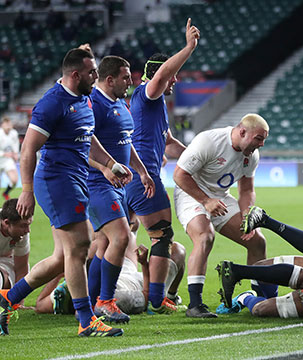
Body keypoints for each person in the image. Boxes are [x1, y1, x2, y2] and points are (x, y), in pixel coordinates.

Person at [1, 46, 132, 337]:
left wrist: (109, 163)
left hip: (76, 179)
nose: (97, 77)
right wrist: (26, 190)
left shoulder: (83, 99)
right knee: (81, 246)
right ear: (76, 75)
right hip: (56, 180)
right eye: (92, 73)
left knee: (64, 256)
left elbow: (88, 135)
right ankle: (87, 321)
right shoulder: (51, 104)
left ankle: (6, 298)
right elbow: (28, 149)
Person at [125, 18, 199, 314]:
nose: (175, 81)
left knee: (120, 237)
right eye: (172, 77)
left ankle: (97, 293)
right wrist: (189, 47)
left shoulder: (154, 107)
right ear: (159, 76)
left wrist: (197, 159)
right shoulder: (147, 93)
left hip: (139, 176)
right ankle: (157, 299)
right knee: (162, 235)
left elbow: (169, 143)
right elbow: (163, 74)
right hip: (144, 177)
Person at [173, 114, 269, 318]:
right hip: (191, 194)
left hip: (220, 197)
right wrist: (206, 201)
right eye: (258, 138)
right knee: (205, 236)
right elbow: (180, 175)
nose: (261, 144)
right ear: (242, 132)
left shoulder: (251, 154)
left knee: (257, 241)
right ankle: (195, 304)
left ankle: (258, 297)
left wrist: (246, 216)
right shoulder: (209, 141)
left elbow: (246, 191)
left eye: (263, 140)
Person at [86, 55, 155, 323]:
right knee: (121, 238)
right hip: (97, 183)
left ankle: (91, 305)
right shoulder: (94, 104)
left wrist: (142, 170)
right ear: (110, 79)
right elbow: (80, 145)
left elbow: (127, 142)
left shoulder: (121, 104)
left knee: (104, 244)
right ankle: (105, 302)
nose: (131, 81)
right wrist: (103, 168)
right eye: (126, 77)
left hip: (118, 185)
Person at [35, 231, 186, 316]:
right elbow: (147, 296)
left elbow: (40, 304)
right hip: (134, 278)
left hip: (117, 267)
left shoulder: (70, 287)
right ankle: (171, 296)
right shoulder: (116, 299)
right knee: (177, 250)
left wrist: (61, 271)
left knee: (117, 235)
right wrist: (145, 265)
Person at [0, 199, 31, 291]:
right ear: (6, 223)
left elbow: (21, 268)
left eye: (29, 224)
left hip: (6, 261)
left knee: (6, 279)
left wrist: (18, 303)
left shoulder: (22, 234)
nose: (28, 230)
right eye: (23, 225)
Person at [0, 117, 20, 201]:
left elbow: (16, 145)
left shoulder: (14, 133)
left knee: (14, 180)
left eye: (10, 124)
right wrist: (4, 154)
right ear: (2, 125)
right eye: (6, 124)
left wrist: (15, 154)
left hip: (8, 160)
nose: (8, 126)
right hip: (1, 158)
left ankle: (5, 193)